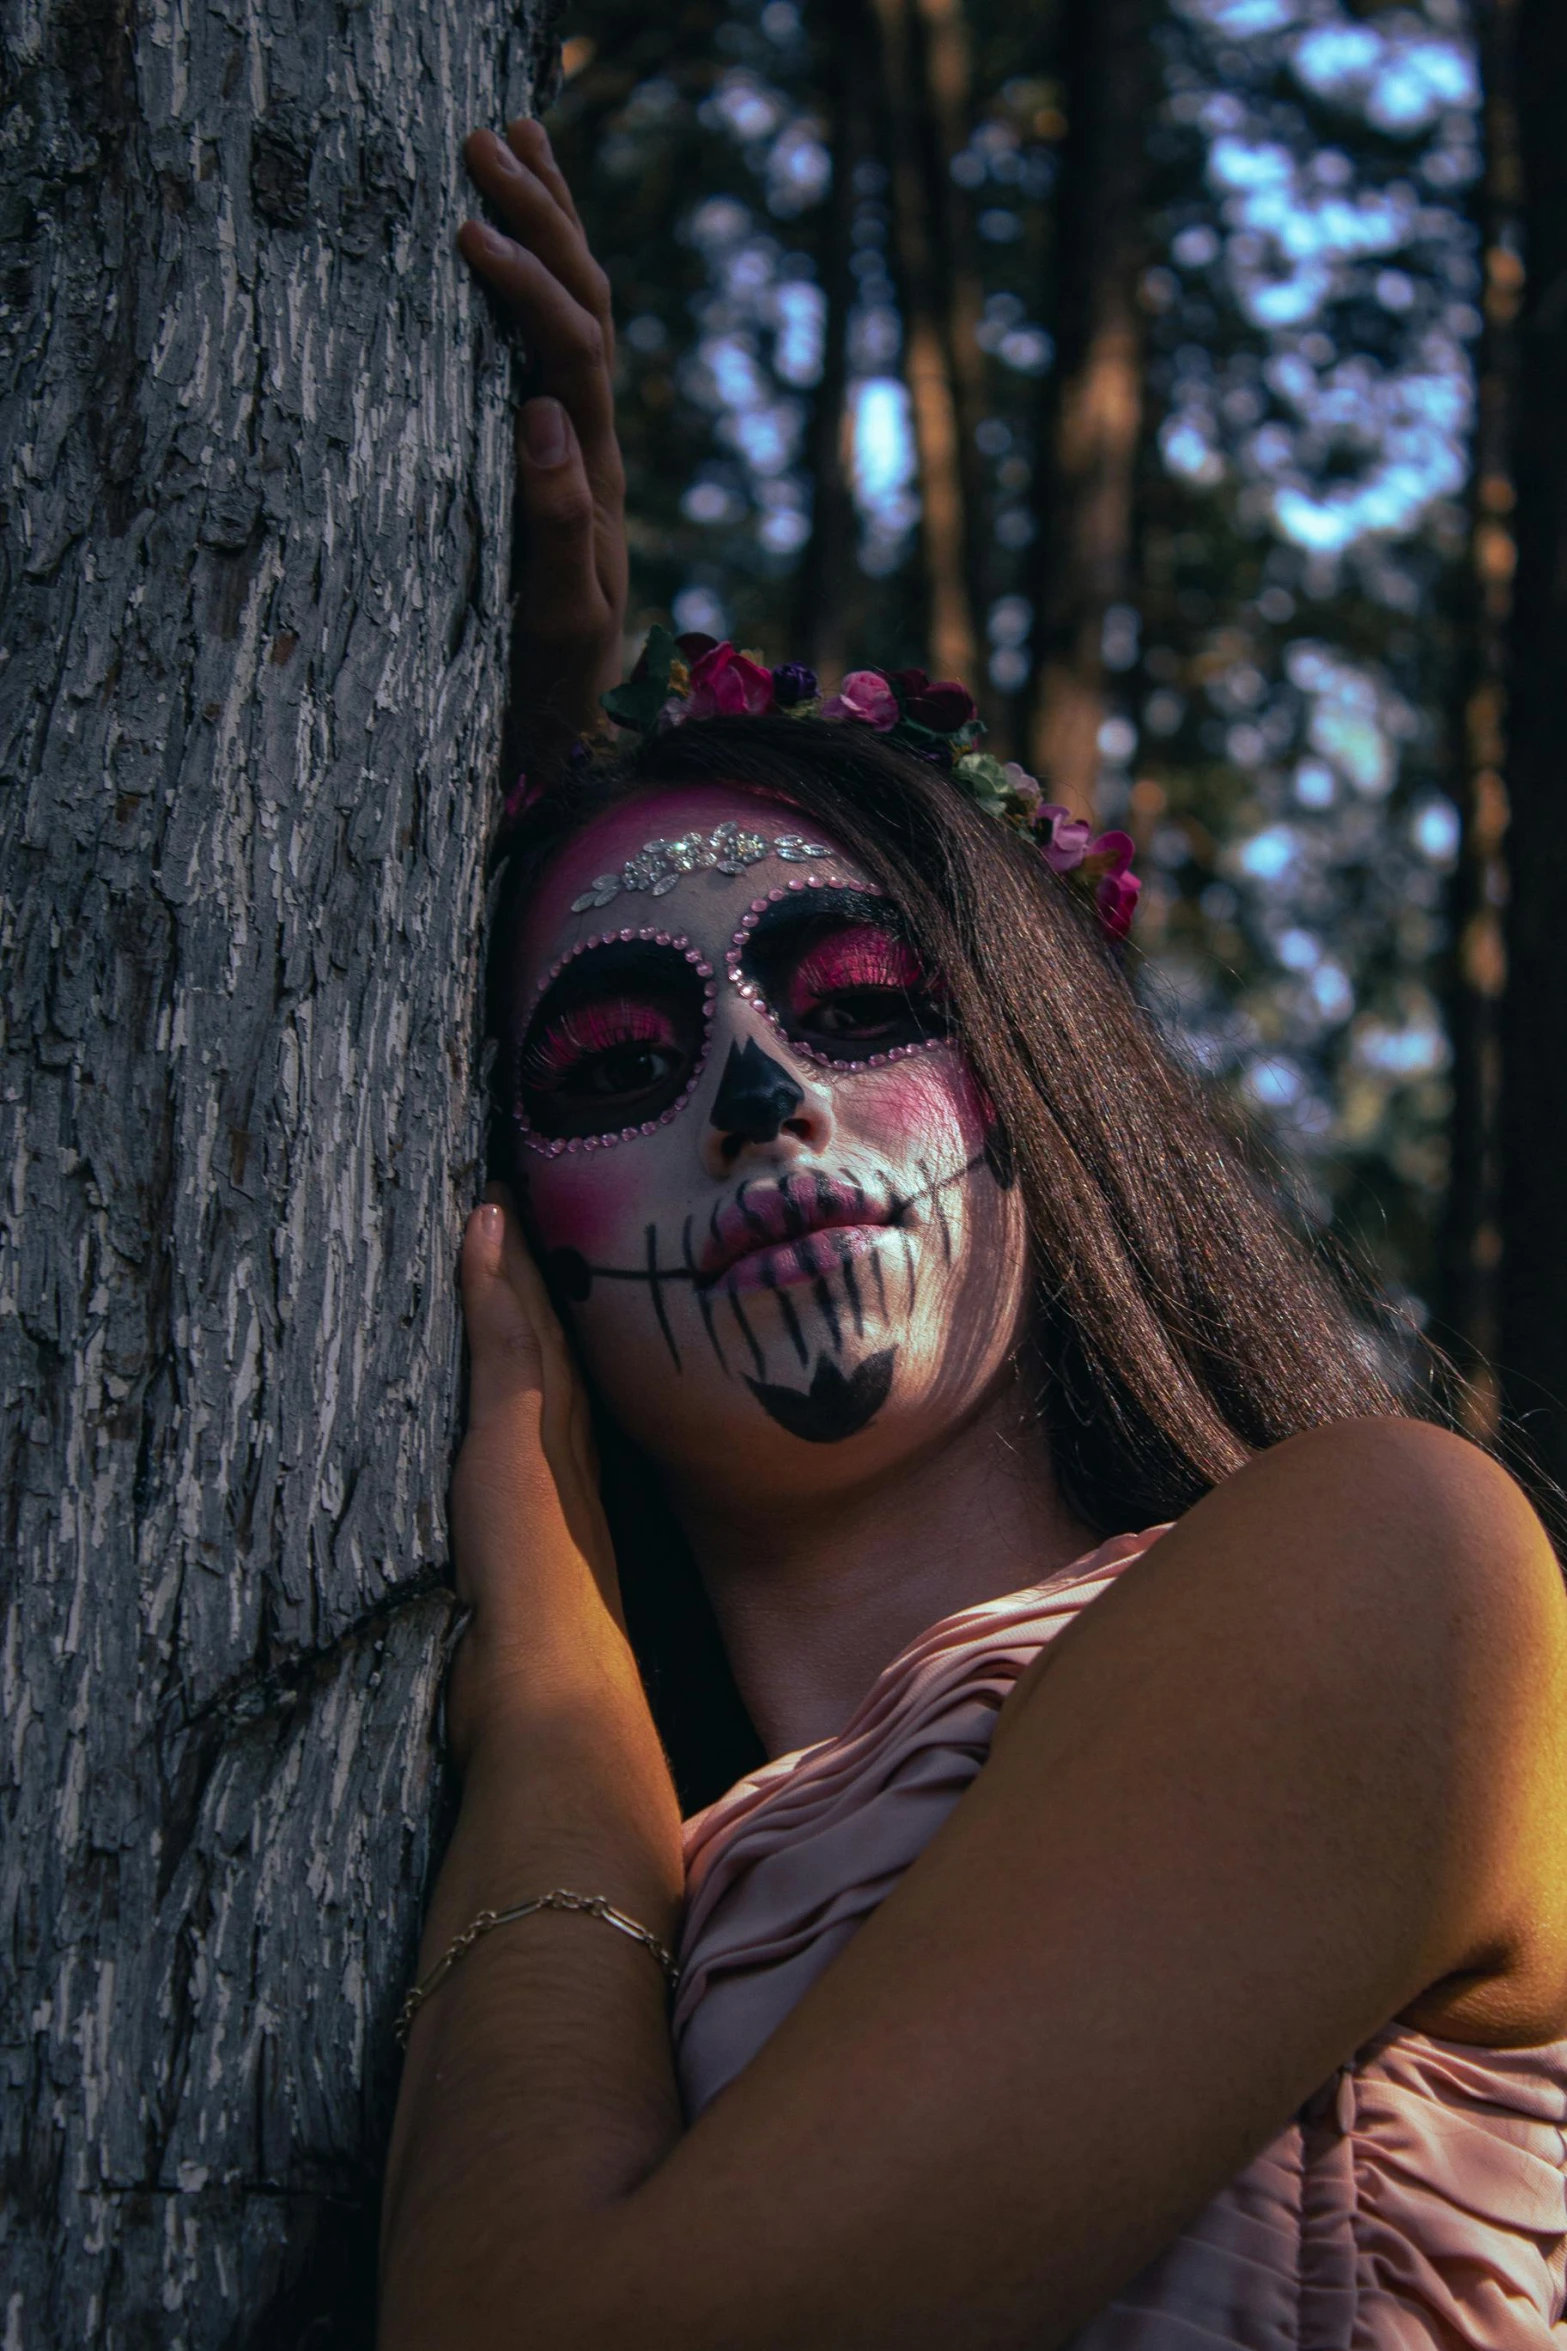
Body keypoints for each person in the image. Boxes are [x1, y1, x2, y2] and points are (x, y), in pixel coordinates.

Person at [378, 118, 1567, 2349]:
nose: (765, 1091)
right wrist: (482, 704)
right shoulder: (594, 1919)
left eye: (853, 1000)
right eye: (619, 1053)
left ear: (1042, 1093)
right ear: (509, 1216)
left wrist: (548, 1667)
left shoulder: (1397, 1573)